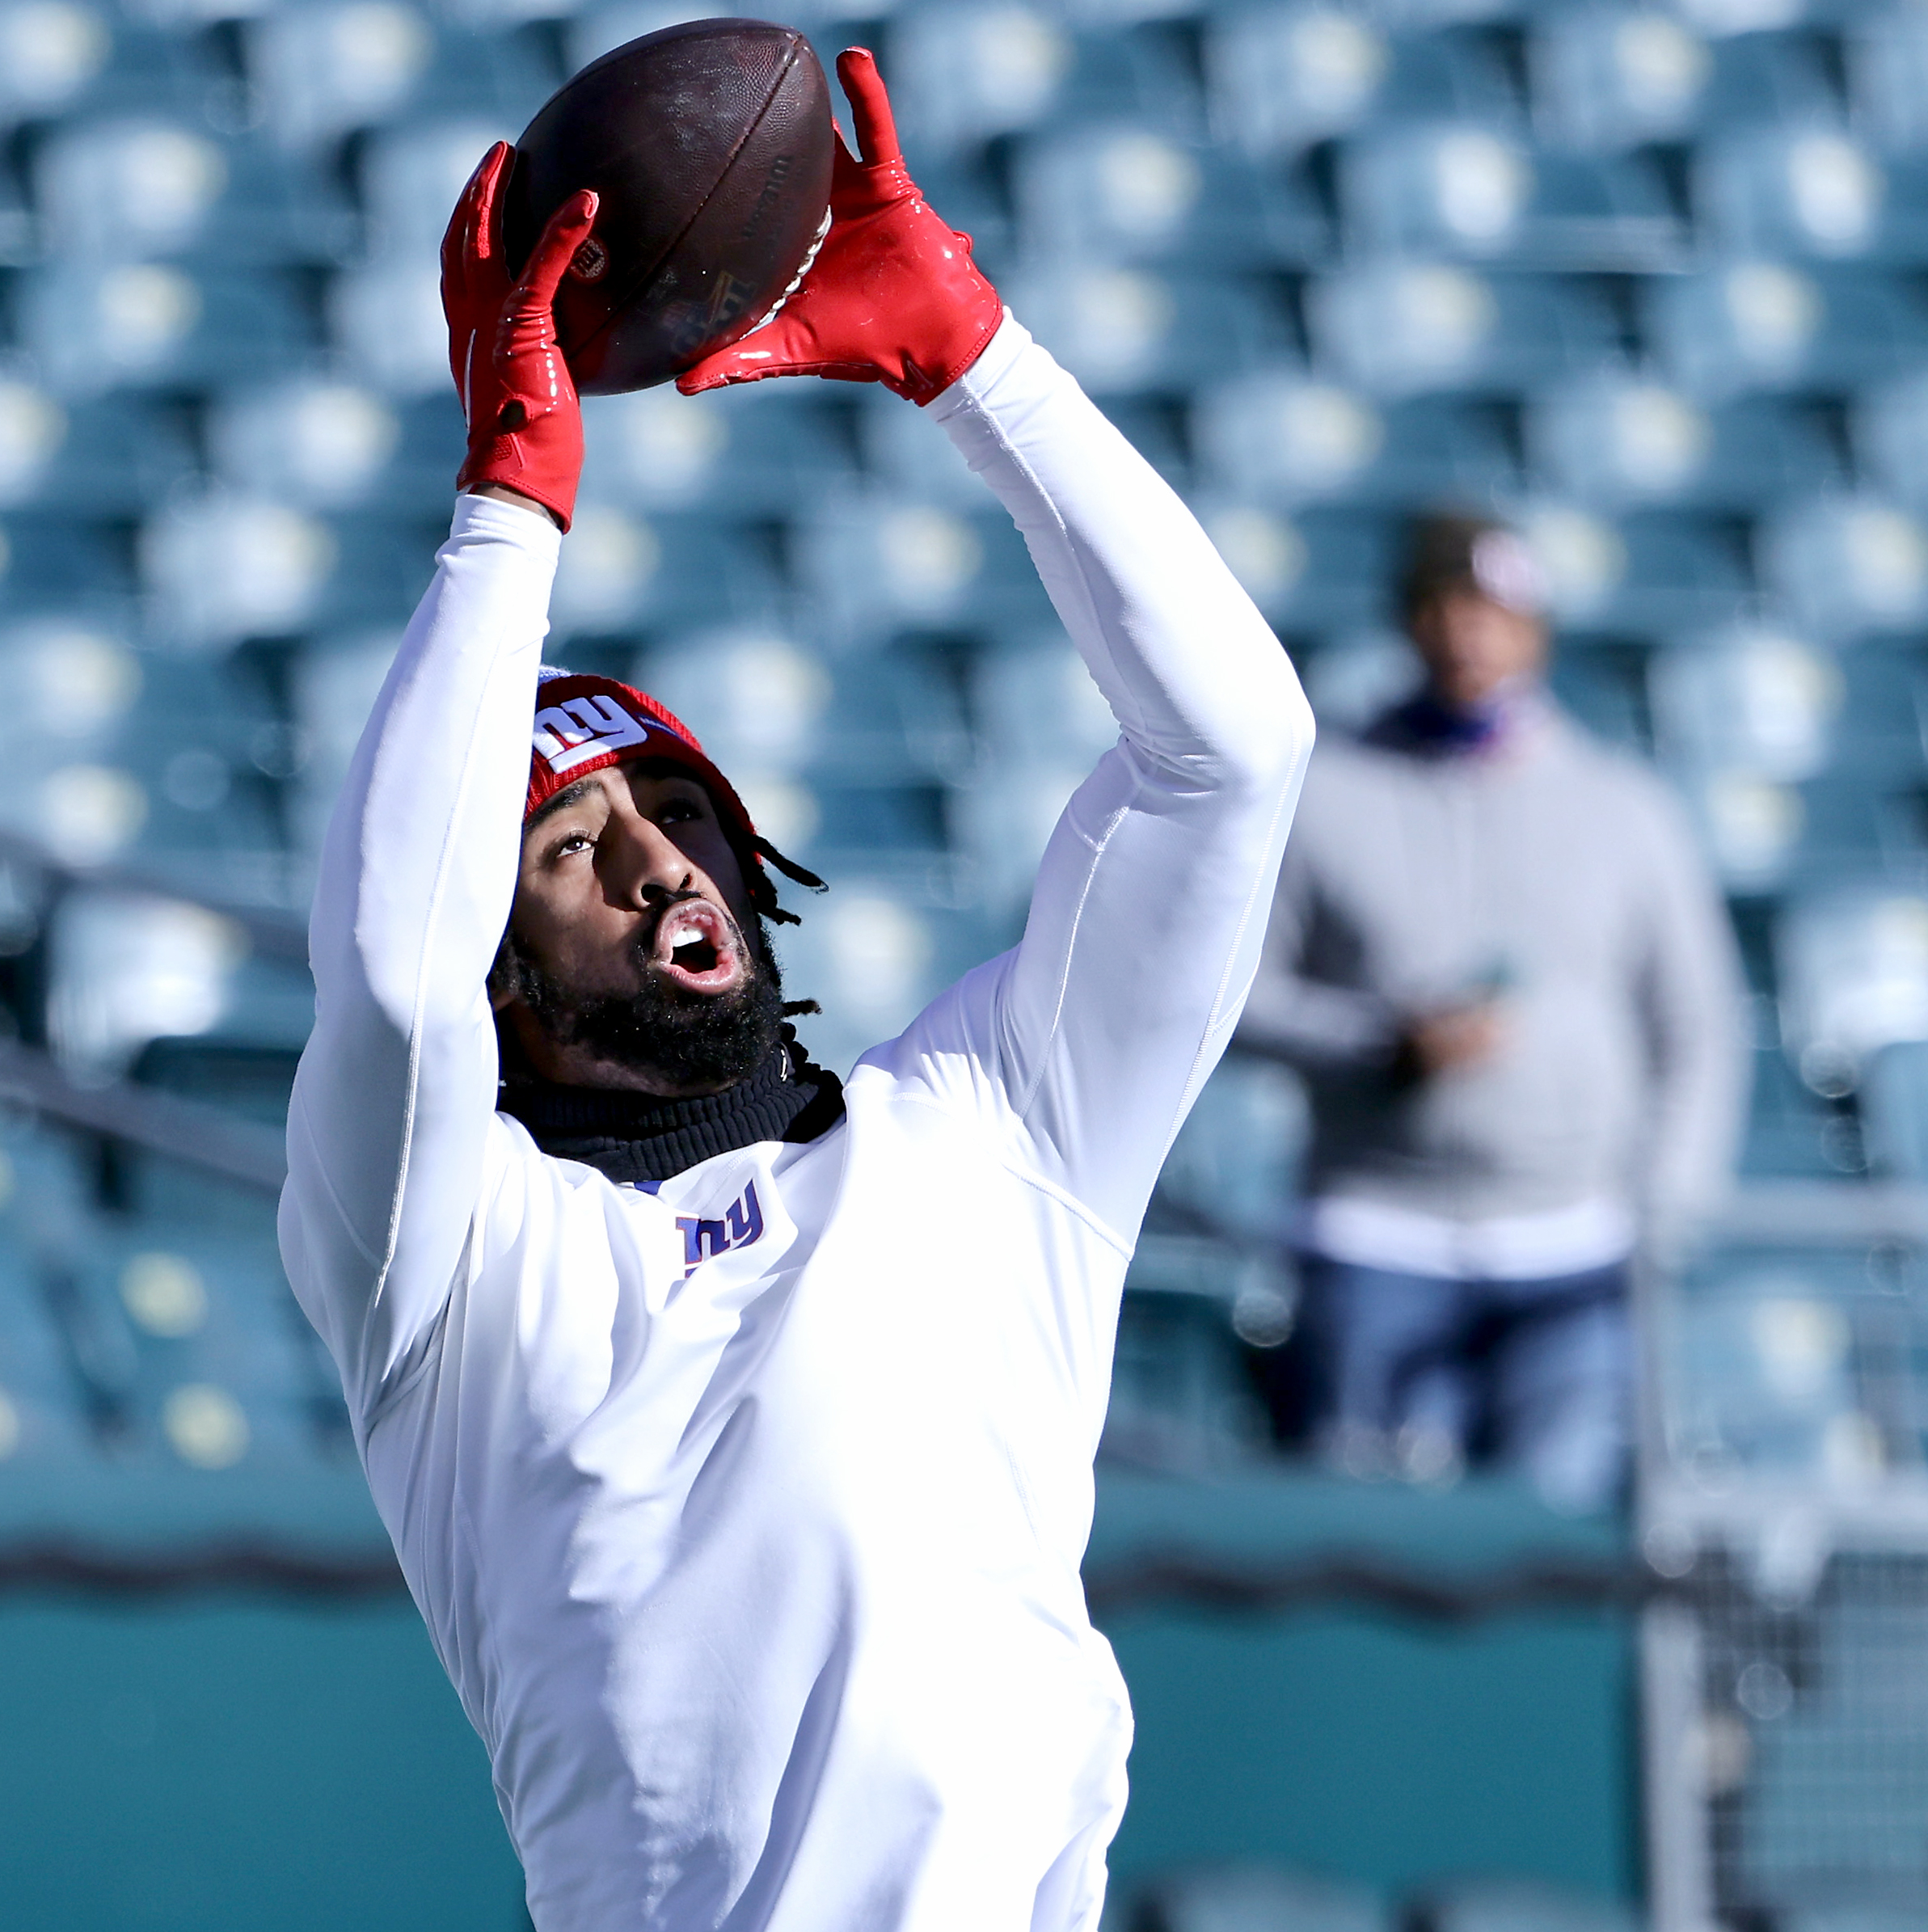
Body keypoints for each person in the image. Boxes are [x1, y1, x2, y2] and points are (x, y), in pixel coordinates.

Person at [278, 51, 1313, 1932]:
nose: (658, 861)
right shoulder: (447, 1262)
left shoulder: (995, 1129)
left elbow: (1230, 754)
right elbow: (387, 964)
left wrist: (975, 360)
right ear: (504, 959)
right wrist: (509, 501)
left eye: (676, 814)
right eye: (569, 852)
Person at [1237, 513, 1745, 1511]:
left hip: (1574, 1245)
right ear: (1409, 621)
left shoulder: (1623, 805)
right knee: (1374, 1540)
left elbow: (1699, 1027)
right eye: (1445, 606)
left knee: (1555, 1538)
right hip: (1378, 1231)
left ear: (1537, 629)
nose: (1469, 633)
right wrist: (1379, 1040)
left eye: (1495, 610)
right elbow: (1235, 1002)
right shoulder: (1328, 789)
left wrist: (1667, 1209)